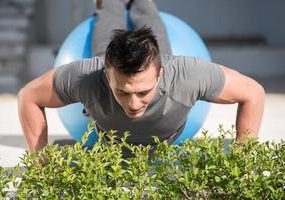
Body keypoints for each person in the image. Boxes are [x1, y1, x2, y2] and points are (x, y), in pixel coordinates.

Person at [18, 0, 265, 153]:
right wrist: (43, 165)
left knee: (150, 22)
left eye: (144, 92)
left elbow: (253, 92)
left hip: (163, 66)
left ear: (161, 74)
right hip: (105, 72)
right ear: (105, 74)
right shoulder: (90, 74)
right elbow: (28, 96)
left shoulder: (185, 74)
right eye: (123, 92)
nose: (134, 105)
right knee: (108, 28)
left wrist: (241, 162)